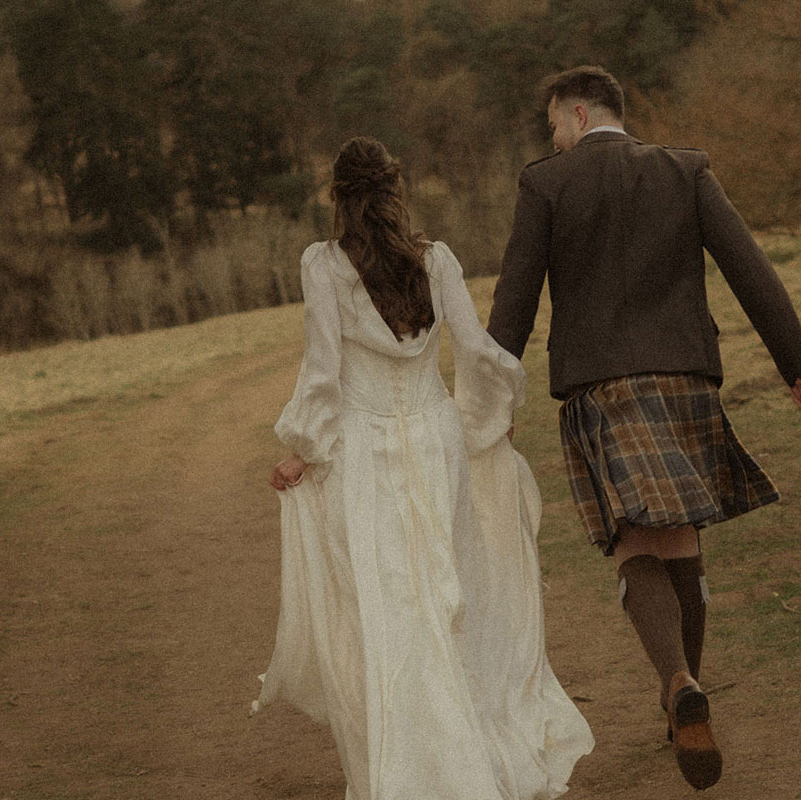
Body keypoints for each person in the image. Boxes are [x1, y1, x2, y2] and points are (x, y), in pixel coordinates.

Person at [486, 66, 801, 791]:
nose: (553, 136)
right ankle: (686, 698)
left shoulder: (546, 183)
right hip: (685, 375)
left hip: (601, 386)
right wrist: (796, 361)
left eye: (554, 123)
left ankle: (675, 682)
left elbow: (515, 296)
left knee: (634, 542)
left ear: (578, 114)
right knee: (682, 539)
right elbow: (748, 267)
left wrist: (493, 398)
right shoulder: (684, 169)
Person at [251, 137, 594, 800]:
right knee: (447, 596)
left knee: (389, 610)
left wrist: (304, 450)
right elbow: (475, 350)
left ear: (337, 197)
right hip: (437, 444)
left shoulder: (322, 265)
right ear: (395, 192)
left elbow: (323, 371)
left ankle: (410, 771)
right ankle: (466, 758)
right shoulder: (436, 260)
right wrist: (488, 421)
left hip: (365, 450)